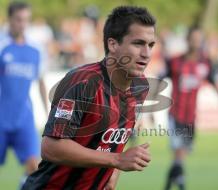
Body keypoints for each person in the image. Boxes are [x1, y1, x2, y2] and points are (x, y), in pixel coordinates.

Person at [22, 6, 156, 190]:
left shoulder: (140, 87)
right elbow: (50, 147)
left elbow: (113, 140)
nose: (146, 53)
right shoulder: (83, 82)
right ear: (113, 44)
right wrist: (116, 160)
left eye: (151, 45)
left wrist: (113, 171)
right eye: (138, 43)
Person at [158, 27, 218, 190]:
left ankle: (167, 185)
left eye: (199, 39)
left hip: (191, 118)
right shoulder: (175, 61)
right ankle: (182, 185)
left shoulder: (205, 62)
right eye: (193, 38)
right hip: (175, 115)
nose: (196, 42)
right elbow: (160, 77)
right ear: (187, 40)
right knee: (178, 152)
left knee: (180, 157)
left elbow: (212, 79)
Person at [0, 1, 48, 188]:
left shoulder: (36, 50)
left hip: (24, 119)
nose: (22, 24)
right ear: (10, 19)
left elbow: (41, 81)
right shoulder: (2, 45)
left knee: (34, 168)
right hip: (1, 118)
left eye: (26, 20)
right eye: (18, 20)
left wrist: (48, 113)